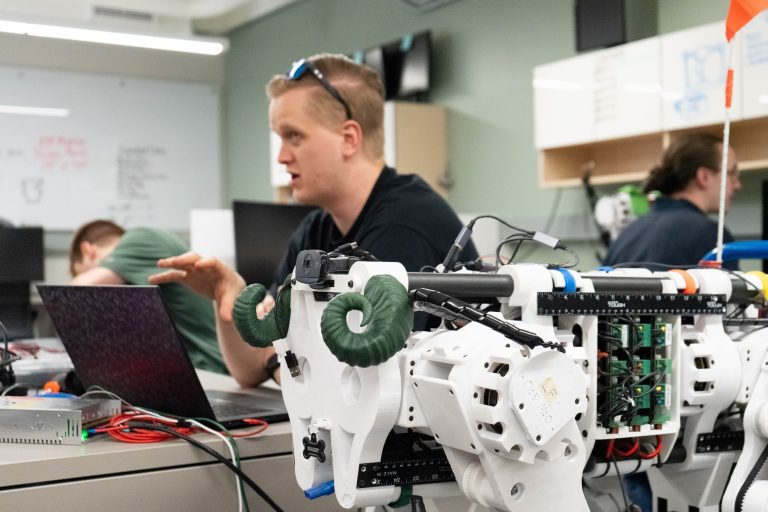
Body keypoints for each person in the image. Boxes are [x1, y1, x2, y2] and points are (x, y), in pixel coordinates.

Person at [149, 53, 477, 388]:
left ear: (348, 138)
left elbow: (351, 383)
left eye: (294, 136)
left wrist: (278, 359)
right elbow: (251, 369)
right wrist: (228, 297)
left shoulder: (404, 225)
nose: (281, 156)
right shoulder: (316, 229)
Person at [69, 220, 228, 374]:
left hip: (210, 369)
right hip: (198, 370)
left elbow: (72, 295)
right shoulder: (135, 273)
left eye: (82, 271)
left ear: (88, 251)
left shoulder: (141, 238)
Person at [603, 132, 742, 270]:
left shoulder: (627, 234)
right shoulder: (712, 238)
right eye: (732, 174)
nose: (737, 185)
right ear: (704, 177)